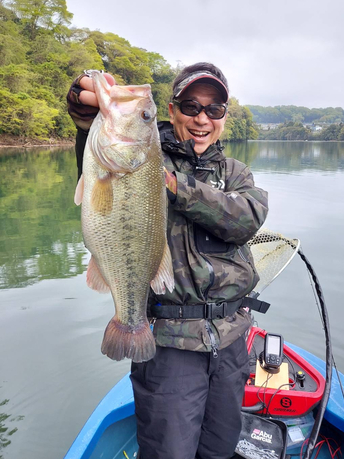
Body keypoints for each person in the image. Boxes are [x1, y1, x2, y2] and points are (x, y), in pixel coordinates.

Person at [67, 62, 269, 459]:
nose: (202, 118)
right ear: (172, 110)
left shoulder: (235, 173)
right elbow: (97, 160)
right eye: (191, 106)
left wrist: (176, 186)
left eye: (214, 109)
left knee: (219, 448)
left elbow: (246, 218)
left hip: (230, 344)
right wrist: (84, 114)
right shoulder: (141, 156)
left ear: (224, 118)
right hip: (170, 347)